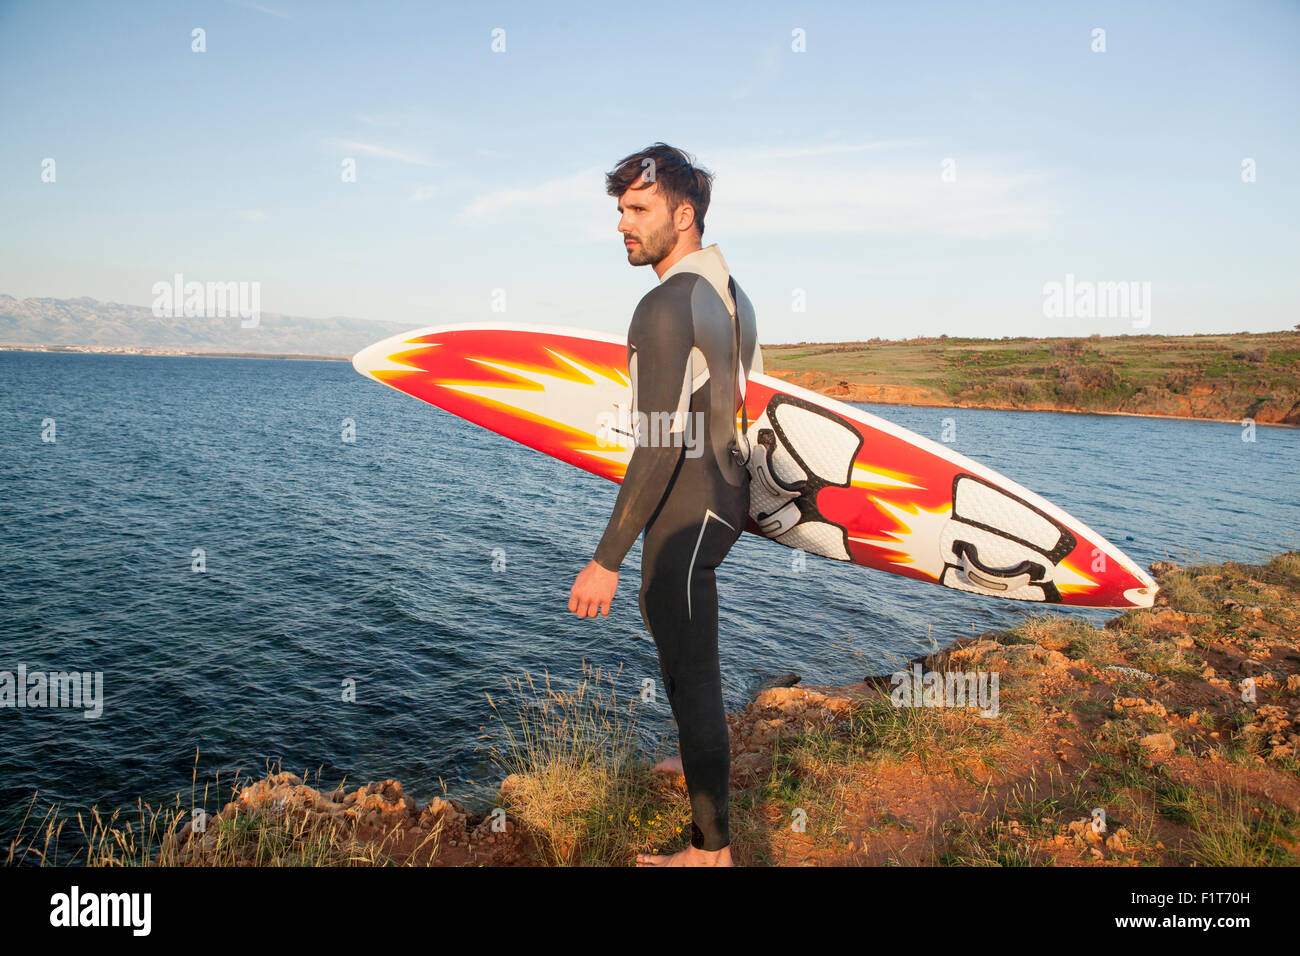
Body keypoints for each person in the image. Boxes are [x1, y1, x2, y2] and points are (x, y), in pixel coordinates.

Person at [567, 143, 762, 867]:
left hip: (687, 501)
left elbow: (654, 445)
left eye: (638, 209)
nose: (623, 223)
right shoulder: (730, 293)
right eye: (619, 209)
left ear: (683, 215)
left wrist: (605, 559)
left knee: (688, 663)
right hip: (725, 493)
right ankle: (698, 760)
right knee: (684, 648)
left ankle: (712, 853)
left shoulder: (663, 304)